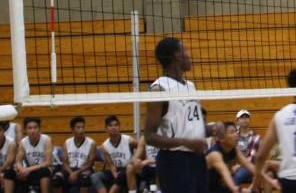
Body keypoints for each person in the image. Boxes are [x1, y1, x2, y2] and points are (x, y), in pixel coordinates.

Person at [145, 37, 211, 193]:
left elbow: (192, 127)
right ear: (176, 56)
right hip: (174, 161)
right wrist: (185, 142)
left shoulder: (191, 86)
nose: (189, 54)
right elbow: (149, 136)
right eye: (185, 50)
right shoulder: (159, 89)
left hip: (197, 160)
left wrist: (213, 128)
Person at [5, 117, 53, 193]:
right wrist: (21, 170)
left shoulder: (46, 139)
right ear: (25, 130)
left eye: (35, 128)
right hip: (29, 171)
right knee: (9, 173)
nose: (32, 130)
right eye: (29, 128)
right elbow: (18, 161)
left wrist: (28, 169)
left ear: (39, 129)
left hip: (43, 169)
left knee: (44, 171)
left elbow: (48, 162)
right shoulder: (23, 142)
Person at [91, 115, 136, 193]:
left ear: (119, 127)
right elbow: (111, 165)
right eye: (110, 125)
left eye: (116, 125)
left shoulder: (129, 140)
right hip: (115, 170)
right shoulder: (104, 146)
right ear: (106, 129)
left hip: (128, 170)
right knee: (94, 176)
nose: (114, 127)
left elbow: (141, 149)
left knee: (122, 174)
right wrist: (114, 174)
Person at [206, 122, 253, 193]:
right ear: (222, 138)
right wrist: (241, 190)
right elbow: (226, 174)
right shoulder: (215, 154)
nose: (236, 135)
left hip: (218, 188)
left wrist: (265, 176)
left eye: (236, 131)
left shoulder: (234, 149)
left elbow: (247, 164)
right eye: (232, 132)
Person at [54, 116, 96, 193]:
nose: (81, 130)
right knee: (56, 179)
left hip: (84, 169)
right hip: (70, 169)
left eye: (83, 127)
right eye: (78, 127)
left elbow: (90, 164)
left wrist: (76, 173)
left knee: (85, 178)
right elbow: (65, 163)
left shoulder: (91, 143)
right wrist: (71, 173)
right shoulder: (67, 143)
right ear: (72, 130)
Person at [233, 110, 259, 186]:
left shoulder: (255, 137)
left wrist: (239, 166)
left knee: (238, 175)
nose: (245, 119)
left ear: (249, 120)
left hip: (250, 167)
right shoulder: (234, 137)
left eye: (247, 117)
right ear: (237, 121)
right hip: (234, 166)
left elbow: (251, 157)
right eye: (242, 118)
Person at [0, 122, 18, 193]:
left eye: (0, 130)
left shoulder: (11, 143)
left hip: (10, 171)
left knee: (7, 173)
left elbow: (9, 163)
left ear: (4, 131)